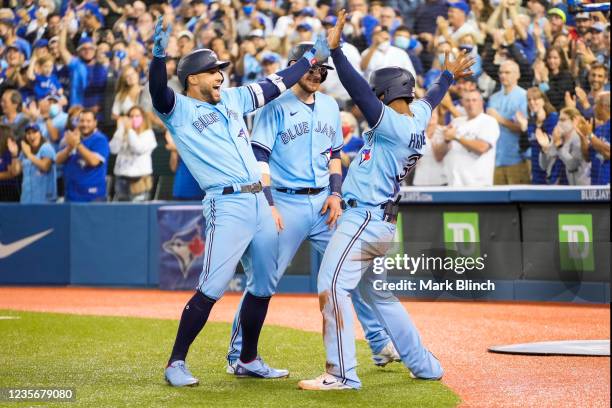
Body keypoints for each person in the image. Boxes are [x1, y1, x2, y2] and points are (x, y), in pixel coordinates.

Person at [149, 17, 332, 386]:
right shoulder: (178, 110)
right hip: (226, 203)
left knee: (263, 284)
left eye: (220, 70)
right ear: (192, 79)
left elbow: (276, 83)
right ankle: (176, 363)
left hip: (260, 202)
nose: (220, 75)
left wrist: (310, 57)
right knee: (212, 286)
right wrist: (158, 56)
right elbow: (158, 93)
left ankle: (247, 358)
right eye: (212, 71)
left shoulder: (232, 98)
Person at [298, 10, 474, 391]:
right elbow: (432, 97)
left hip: (363, 220)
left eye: (377, 96)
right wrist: (447, 76)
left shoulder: (392, 122)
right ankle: (425, 365)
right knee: (380, 295)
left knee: (331, 286)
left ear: (384, 95)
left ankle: (342, 373)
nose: (369, 102)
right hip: (381, 223)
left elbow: (358, 89)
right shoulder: (417, 117)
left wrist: (337, 53)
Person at [225, 41, 400, 375]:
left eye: (322, 69)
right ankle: (238, 355)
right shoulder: (273, 107)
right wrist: (269, 203)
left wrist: (335, 194)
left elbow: (334, 155)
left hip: (324, 202)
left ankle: (378, 344)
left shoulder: (331, 106)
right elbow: (259, 155)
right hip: (285, 202)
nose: (317, 73)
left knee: (353, 273)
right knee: (264, 281)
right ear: (295, 65)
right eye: (311, 67)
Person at [433, 89, 499, 186]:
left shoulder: (489, 121)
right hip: (453, 184)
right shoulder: (456, 122)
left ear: (481, 102)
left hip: (478, 185)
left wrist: (456, 137)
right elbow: (438, 156)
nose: (470, 104)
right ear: (462, 103)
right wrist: (446, 140)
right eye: (467, 100)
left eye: (474, 100)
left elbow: (482, 147)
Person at [487, 60, 529, 185]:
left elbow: (523, 128)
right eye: (500, 72)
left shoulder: (524, 96)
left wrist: (499, 118)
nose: (503, 75)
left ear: (517, 75)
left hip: (516, 160)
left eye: (507, 72)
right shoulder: (493, 98)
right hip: (495, 160)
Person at [56, 109, 110, 202]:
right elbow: (57, 160)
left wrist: (77, 145)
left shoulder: (100, 139)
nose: (85, 124)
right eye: (82, 121)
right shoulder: (71, 138)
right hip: (71, 195)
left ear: (95, 123)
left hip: (93, 197)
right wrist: (69, 147)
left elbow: (94, 161)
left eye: (88, 121)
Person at [109, 106, 157, 201]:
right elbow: (113, 149)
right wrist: (120, 130)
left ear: (143, 118)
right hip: (121, 179)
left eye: (137, 116)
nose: (134, 119)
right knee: (121, 212)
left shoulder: (148, 134)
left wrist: (129, 130)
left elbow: (138, 149)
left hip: (140, 181)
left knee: (139, 212)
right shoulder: (123, 131)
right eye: (131, 116)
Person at [518, 87, 565, 185]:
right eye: (529, 100)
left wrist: (542, 125)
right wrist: (524, 129)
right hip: (536, 172)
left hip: (552, 171)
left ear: (544, 100)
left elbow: (555, 145)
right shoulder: (531, 122)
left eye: (535, 99)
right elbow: (524, 146)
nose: (531, 102)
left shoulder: (553, 119)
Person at [538, 108, 591, 186]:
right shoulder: (556, 138)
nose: (559, 123)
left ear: (574, 121)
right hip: (555, 186)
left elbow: (573, 166)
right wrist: (544, 149)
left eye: (563, 120)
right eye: (559, 120)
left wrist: (559, 146)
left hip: (578, 187)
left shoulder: (579, 139)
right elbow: (544, 166)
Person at [6, 124, 57, 203]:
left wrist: (29, 155)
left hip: (44, 200)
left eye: (34, 132)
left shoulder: (46, 147)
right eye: (28, 133)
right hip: (26, 199)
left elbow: (45, 166)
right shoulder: (24, 152)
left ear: (40, 133)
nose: (31, 136)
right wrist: (14, 155)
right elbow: (15, 172)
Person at [578, 92, 610, 186]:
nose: (593, 108)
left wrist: (589, 135)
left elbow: (608, 153)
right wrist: (582, 136)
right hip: (595, 186)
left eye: (596, 104)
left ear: (604, 106)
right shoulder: (599, 129)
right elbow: (587, 157)